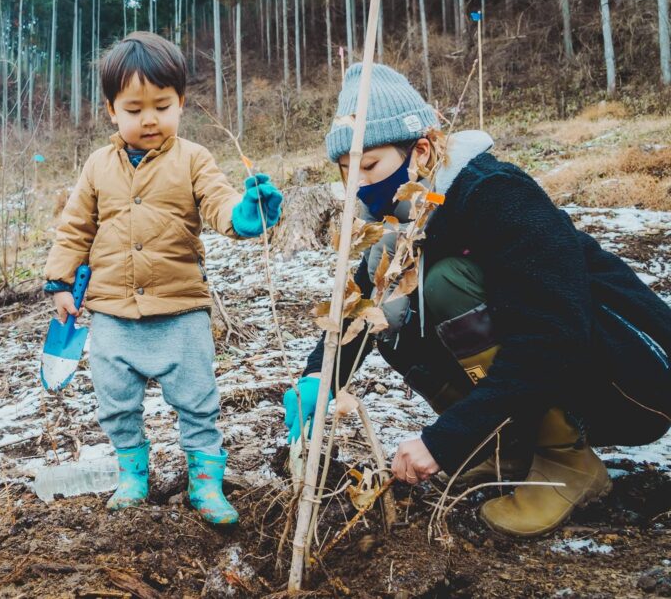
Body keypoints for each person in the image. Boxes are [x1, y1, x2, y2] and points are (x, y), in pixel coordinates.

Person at [284, 64, 671, 538]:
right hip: (552, 370)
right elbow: (362, 307)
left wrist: (446, 440)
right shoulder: (398, 221)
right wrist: (318, 378)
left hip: (632, 375)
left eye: (370, 166)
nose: (359, 186)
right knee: (390, 312)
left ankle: (566, 462)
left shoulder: (496, 194)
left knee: (445, 283)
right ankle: (506, 448)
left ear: (421, 150)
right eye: (348, 172)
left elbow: (553, 335)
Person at [44, 32, 283, 526]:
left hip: (181, 311)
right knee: (115, 403)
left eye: (162, 106)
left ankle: (205, 483)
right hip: (112, 314)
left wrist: (243, 215)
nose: (149, 119)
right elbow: (75, 227)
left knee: (197, 401)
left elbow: (218, 202)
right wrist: (61, 283)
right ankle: (133, 477)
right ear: (112, 110)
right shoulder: (97, 166)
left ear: (181, 103)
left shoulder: (193, 159)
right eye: (134, 109)